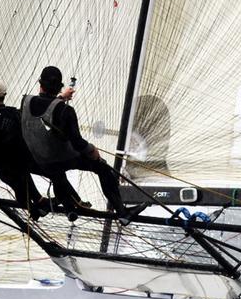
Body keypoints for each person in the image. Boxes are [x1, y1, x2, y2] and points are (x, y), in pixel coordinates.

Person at [21, 66, 147, 224]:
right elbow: (78, 143)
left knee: (57, 175)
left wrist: (60, 98)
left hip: (40, 160)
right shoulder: (66, 111)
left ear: (40, 84)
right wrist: (92, 150)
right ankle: (122, 213)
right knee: (103, 168)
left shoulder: (25, 101)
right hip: (63, 158)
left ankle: (69, 207)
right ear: (60, 86)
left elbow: (43, 106)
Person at [0, 77, 85, 219]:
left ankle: (36, 208)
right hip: (24, 163)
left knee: (23, 192)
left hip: (6, 170)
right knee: (55, 172)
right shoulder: (15, 114)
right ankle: (69, 206)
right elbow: (43, 111)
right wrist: (61, 98)